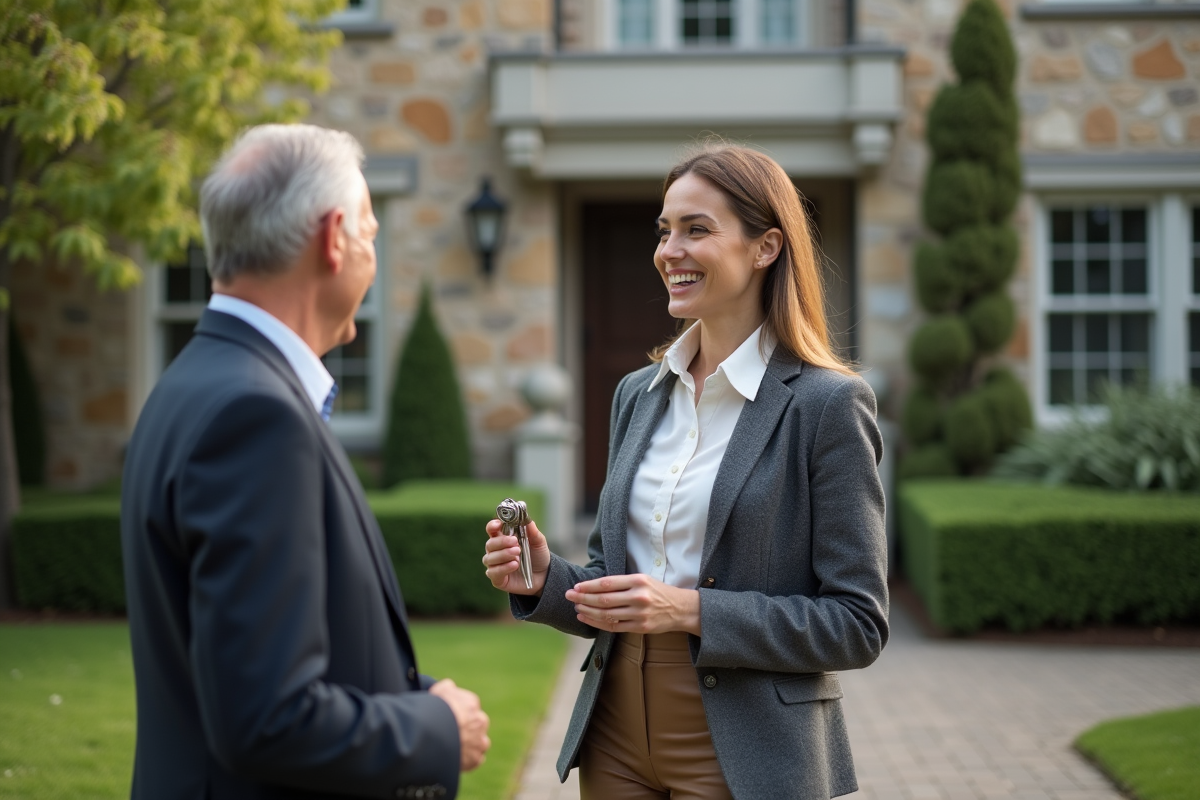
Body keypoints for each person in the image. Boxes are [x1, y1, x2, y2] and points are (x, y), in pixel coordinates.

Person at [482, 144, 888, 800]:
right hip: (614, 730)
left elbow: (856, 622)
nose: (669, 249)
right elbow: (613, 586)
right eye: (664, 230)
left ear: (766, 248)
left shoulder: (828, 405)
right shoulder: (637, 394)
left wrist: (692, 611)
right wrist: (544, 579)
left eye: (696, 229)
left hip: (745, 746)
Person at [121, 124, 489, 800]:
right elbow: (267, 718)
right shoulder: (255, 416)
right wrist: (433, 728)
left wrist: (408, 689)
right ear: (333, 237)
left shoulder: (190, 383)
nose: (372, 257)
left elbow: (256, 658)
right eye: (372, 235)